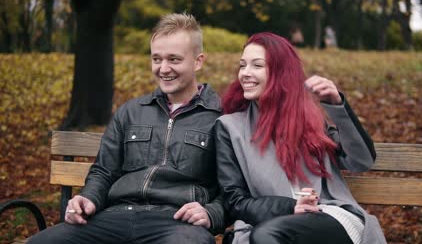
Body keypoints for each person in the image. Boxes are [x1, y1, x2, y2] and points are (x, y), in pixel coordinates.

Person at [28, 13, 225, 244]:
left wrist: (212, 213)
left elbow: (233, 189)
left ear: (198, 61)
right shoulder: (131, 111)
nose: (163, 69)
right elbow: (104, 170)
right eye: (156, 59)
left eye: (174, 59)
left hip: (176, 223)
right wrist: (88, 198)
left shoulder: (220, 117)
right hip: (115, 216)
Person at [215, 32, 386, 244]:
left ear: (281, 73)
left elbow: (361, 161)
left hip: (328, 216)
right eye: (242, 65)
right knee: (263, 235)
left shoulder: (311, 121)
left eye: (257, 65)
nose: (245, 73)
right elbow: (235, 201)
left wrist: (336, 104)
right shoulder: (230, 128)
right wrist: (290, 207)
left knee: (267, 235)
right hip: (267, 223)